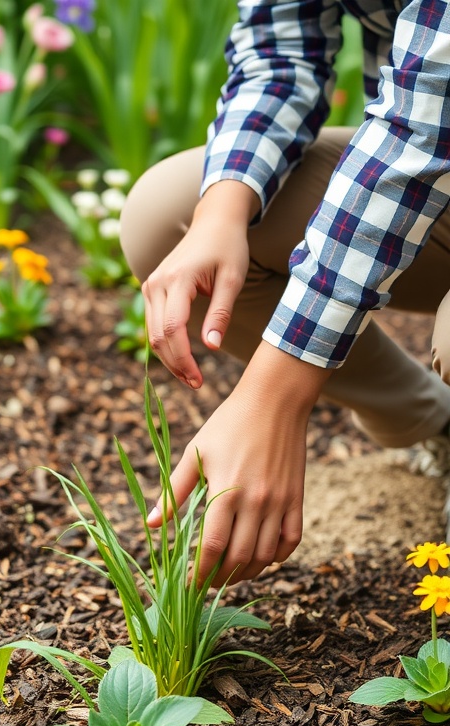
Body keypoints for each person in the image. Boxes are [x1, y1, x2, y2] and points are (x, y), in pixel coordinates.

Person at [120, 0, 450, 589]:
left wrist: (274, 396)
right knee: (167, 218)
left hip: (429, 143)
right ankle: (436, 424)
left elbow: (420, 134)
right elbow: (281, 53)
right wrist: (220, 211)